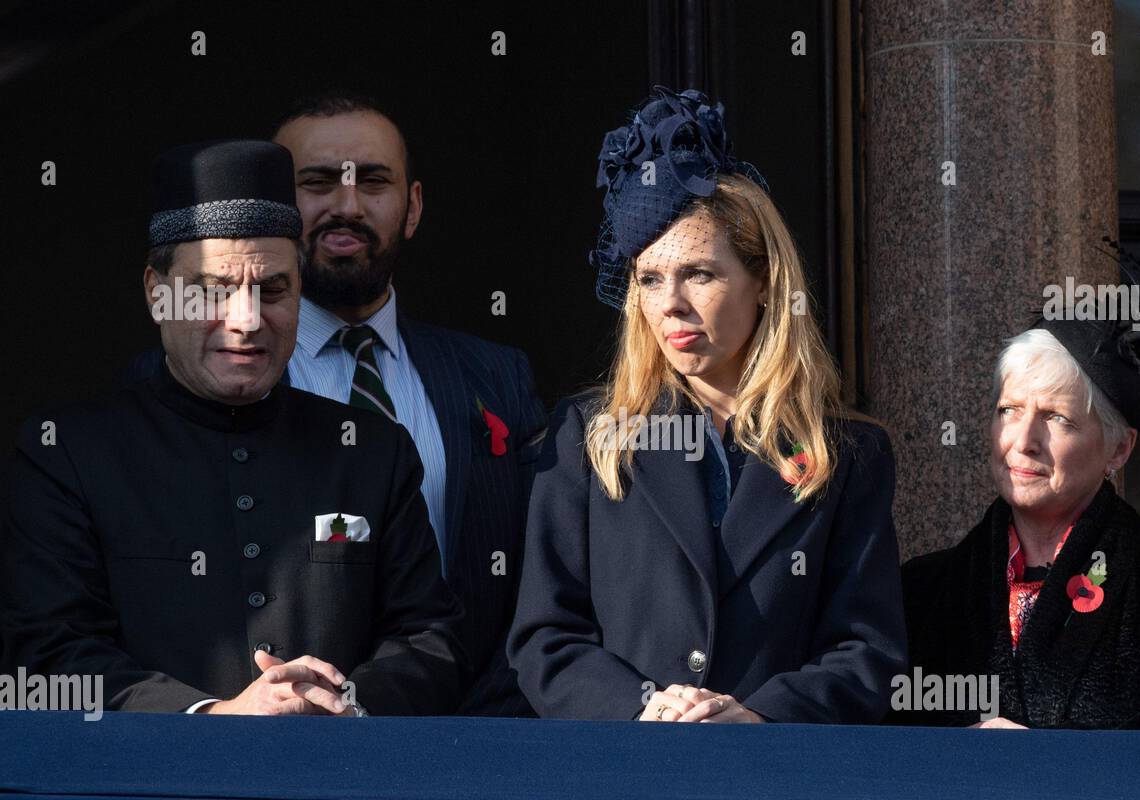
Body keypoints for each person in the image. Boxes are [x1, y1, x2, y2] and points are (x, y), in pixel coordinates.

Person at [2, 139, 468, 715]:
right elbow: (49, 652)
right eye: (214, 291)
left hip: (338, 788)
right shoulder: (69, 454)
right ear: (158, 293)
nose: (246, 320)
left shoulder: (373, 451)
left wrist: (343, 702)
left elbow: (431, 638)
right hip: (148, 795)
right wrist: (211, 718)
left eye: (273, 289)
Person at [123, 94, 547, 716]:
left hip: (474, 745)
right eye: (316, 182)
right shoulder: (186, 376)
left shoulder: (497, 376)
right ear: (271, 205)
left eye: (373, 181)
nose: (346, 205)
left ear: (414, 206)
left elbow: (537, 587)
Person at [506, 87, 907, 723]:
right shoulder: (588, 436)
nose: (670, 303)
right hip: (626, 780)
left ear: (764, 283)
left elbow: (868, 653)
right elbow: (544, 639)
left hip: (776, 791)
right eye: (649, 279)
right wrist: (643, 706)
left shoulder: (849, 452)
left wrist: (761, 717)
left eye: (699, 273)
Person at [892, 320, 1140, 730]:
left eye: (1057, 418)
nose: (1023, 441)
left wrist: (1063, 759)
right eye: (1009, 410)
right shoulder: (925, 588)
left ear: (1119, 448)